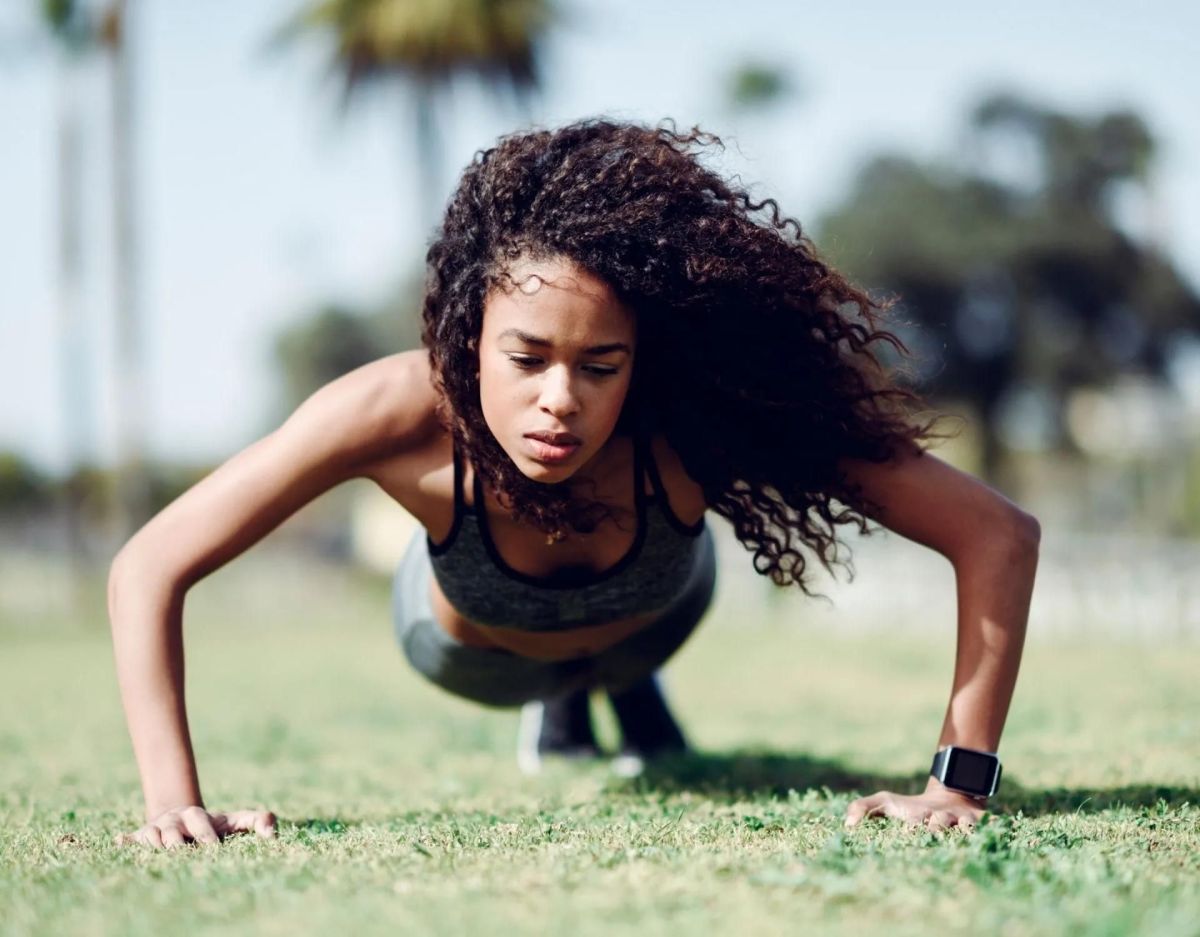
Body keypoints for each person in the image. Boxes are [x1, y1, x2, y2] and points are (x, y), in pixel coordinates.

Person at [108, 119, 1040, 850]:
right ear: (468, 333)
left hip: (653, 617)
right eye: (526, 356)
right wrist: (173, 805)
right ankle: (565, 698)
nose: (560, 400)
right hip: (470, 651)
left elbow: (998, 533)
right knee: (540, 658)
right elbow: (148, 565)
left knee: (660, 595)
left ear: (646, 355)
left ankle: (611, 688)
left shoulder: (698, 415)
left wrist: (958, 784)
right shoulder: (392, 409)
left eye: (602, 364)